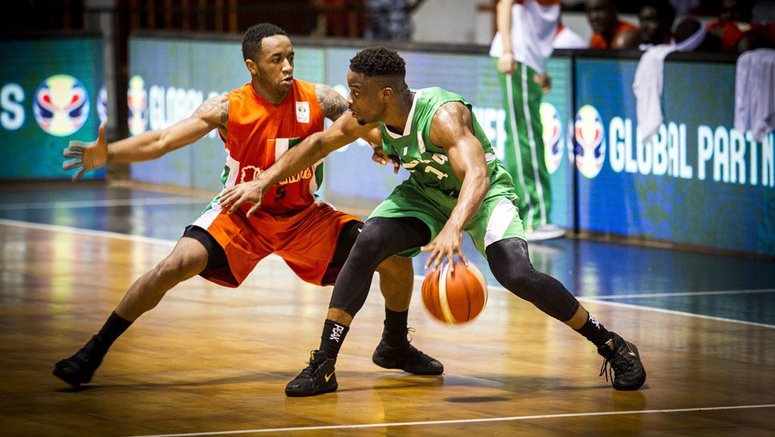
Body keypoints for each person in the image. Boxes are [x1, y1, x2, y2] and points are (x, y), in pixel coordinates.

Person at [219, 47, 647, 397]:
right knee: (369, 240)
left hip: (483, 196)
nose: (349, 100)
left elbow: (477, 175)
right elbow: (316, 145)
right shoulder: (368, 118)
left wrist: (454, 227)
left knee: (517, 274)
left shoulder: (442, 115)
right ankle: (328, 363)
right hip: (426, 194)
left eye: (356, 91)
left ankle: (610, 343)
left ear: (386, 94)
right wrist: (263, 182)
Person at [53, 23, 442, 389]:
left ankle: (394, 344)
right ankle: (94, 350)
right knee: (171, 267)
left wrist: (379, 144)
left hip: (304, 217)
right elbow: (162, 141)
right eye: (277, 60)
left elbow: (364, 121)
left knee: (392, 255)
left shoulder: (319, 97)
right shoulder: (228, 108)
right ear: (252, 66)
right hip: (242, 215)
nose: (287, 66)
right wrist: (109, 154)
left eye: (291, 57)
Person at [490, 0, 565, 241]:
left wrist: (542, 69)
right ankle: (533, 218)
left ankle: (523, 216)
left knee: (524, 136)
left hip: (530, 64)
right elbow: (504, 5)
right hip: (516, 59)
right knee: (525, 137)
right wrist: (508, 51)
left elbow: (541, 31)